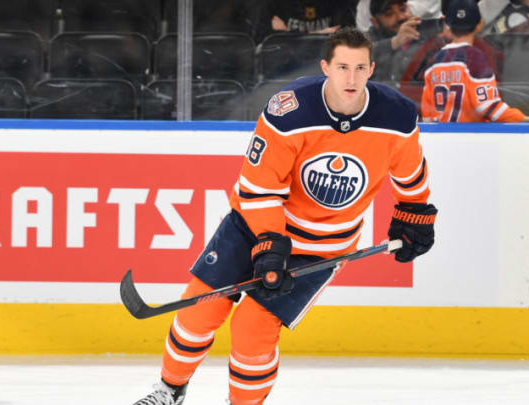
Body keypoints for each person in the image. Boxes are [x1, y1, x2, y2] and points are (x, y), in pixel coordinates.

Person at [132, 27, 438, 405]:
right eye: (342, 66)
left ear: (372, 68)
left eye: (360, 68)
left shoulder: (396, 116)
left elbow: (410, 175)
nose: (351, 78)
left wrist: (415, 214)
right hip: (252, 228)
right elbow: (259, 187)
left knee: (253, 328)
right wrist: (270, 244)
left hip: (321, 248)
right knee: (200, 309)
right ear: (326, 66)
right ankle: (169, 390)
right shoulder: (290, 111)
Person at [421, 0, 529, 123]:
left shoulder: (434, 62)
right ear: (479, 25)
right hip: (469, 137)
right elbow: (488, 106)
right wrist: (522, 118)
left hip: (440, 138)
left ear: (447, 24)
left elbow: (427, 115)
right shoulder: (475, 58)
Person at [366, 0, 444, 82]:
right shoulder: (368, 39)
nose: (401, 17)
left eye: (403, 9)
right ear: (375, 22)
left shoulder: (427, 32)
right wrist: (394, 43)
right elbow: (360, 55)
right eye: (389, 14)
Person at [253, 0, 358, 44]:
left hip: (325, 69)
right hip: (284, 69)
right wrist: (319, 34)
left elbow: (347, 39)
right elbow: (260, 40)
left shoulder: (339, 3)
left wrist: (286, 31)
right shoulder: (273, 3)